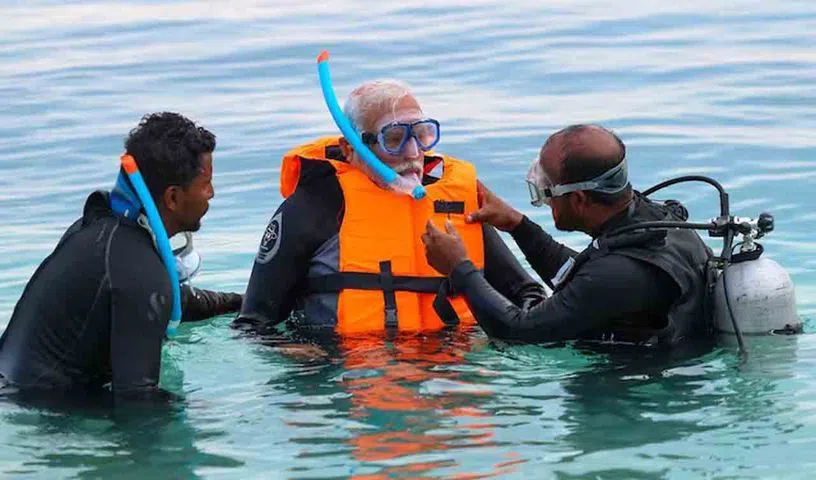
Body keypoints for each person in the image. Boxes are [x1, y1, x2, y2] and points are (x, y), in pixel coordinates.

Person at [236, 79, 543, 334]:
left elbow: (529, 295)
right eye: (393, 139)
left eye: (422, 136)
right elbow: (252, 324)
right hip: (346, 379)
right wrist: (302, 354)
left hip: (450, 379)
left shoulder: (455, 206)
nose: (413, 153)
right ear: (349, 148)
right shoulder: (314, 207)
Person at [0, 112, 242, 402]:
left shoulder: (105, 234)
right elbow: (137, 404)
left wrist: (238, 302)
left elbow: (164, 300)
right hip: (36, 410)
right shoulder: (140, 271)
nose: (211, 194)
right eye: (206, 184)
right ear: (173, 198)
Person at [421, 124, 713, 347]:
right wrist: (518, 225)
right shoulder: (661, 224)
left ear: (579, 200)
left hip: (634, 398)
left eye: (546, 192)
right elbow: (581, 278)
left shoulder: (619, 274)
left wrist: (460, 270)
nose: (546, 201)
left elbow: (518, 331)